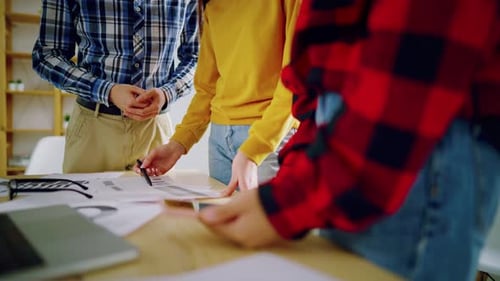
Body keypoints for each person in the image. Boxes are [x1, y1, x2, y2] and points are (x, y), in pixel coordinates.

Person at [198, 0, 500, 280]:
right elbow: (323, 74)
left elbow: (415, 63)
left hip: (421, 144)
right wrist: (295, 173)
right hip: (357, 137)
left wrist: (285, 202)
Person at [138, 0, 300, 192]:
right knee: (215, 219)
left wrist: (255, 149)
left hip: (269, 139)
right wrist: (178, 144)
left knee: (262, 220)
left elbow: (295, 82)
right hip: (220, 138)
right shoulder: (212, 5)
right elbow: (208, 88)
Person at [32, 0, 199, 173]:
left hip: (155, 130)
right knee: (86, 201)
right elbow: (47, 55)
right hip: (93, 129)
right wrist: (106, 90)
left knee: (157, 200)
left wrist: (167, 93)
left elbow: (197, 58)